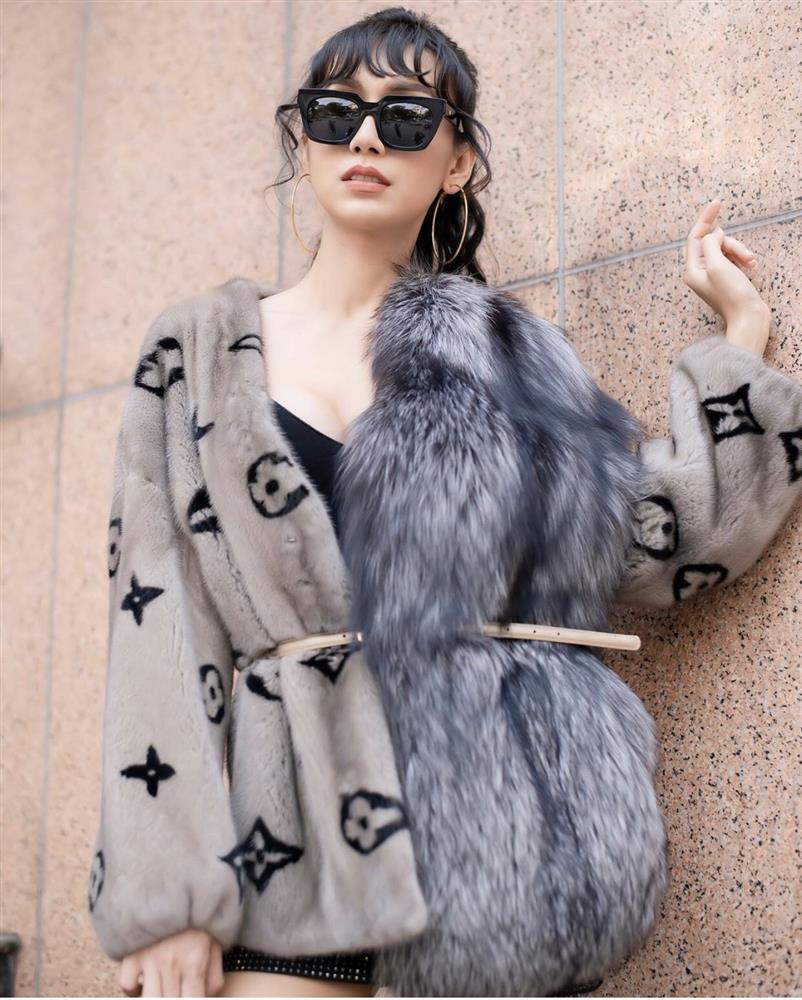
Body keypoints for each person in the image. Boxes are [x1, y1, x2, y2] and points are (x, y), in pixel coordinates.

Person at [87, 6, 801, 999]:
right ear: (303, 142)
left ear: (457, 159)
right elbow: (157, 621)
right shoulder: (198, 355)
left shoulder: (507, 354)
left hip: (491, 859)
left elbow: (651, 534)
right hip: (286, 847)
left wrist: (740, 338)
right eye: (334, 112)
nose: (365, 137)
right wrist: (166, 897)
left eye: (406, 116)